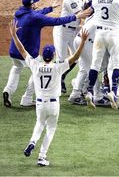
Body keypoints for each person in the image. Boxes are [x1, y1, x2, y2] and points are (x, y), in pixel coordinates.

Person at [8, 18, 88, 166]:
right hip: (53, 105)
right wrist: (82, 41)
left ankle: (32, 142)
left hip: (39, 103)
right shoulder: (58, 67)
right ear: (52, 56)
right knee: (50, 129)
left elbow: (22, 50)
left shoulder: (35, 65)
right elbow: (75, 58)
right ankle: (42, 156)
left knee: (39, 123)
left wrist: (14, 35)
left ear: (43, 55)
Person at [2, 0, 89, 108]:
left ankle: (8, 91)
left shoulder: (19, 13)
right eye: (35, 2)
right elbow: (56, 21)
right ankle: (27, 98)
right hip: (27, 53)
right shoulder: (35, 17)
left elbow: (36, 14)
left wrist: (50, 8)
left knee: (16, 69)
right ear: (32, 5)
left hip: (14, 50)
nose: (37, 4)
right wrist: (76, 16)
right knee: (37, 72)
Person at [53, 0, 92, 94]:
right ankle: (56, 83)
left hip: (74, 31)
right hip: (62, 31)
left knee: (76, 57)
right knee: (61, 59)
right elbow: (82, 14)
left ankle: (62, 77)